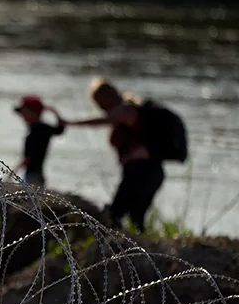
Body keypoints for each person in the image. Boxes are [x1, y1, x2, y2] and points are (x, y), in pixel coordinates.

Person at [61, 78, 165, 233]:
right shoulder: (127, 111)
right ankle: (131, 246)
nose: (101, 107)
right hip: (140, 171)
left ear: (109, 97)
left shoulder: (125, 110)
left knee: (121, 213)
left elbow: (103, 121)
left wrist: (71, 123)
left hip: (143, 171)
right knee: (130, 214)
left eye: (101, 103)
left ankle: (129, 249)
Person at [10, 95, 65, 188]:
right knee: (35, 199)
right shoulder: (44, 128)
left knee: (31, 199)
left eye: (24, 112)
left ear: (33, 113)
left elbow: (29, 157)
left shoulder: (36, 131)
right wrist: (55, 112)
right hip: (38, 174)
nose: (22, 116)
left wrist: (13, 172)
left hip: (32, 175)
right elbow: (60, 129)